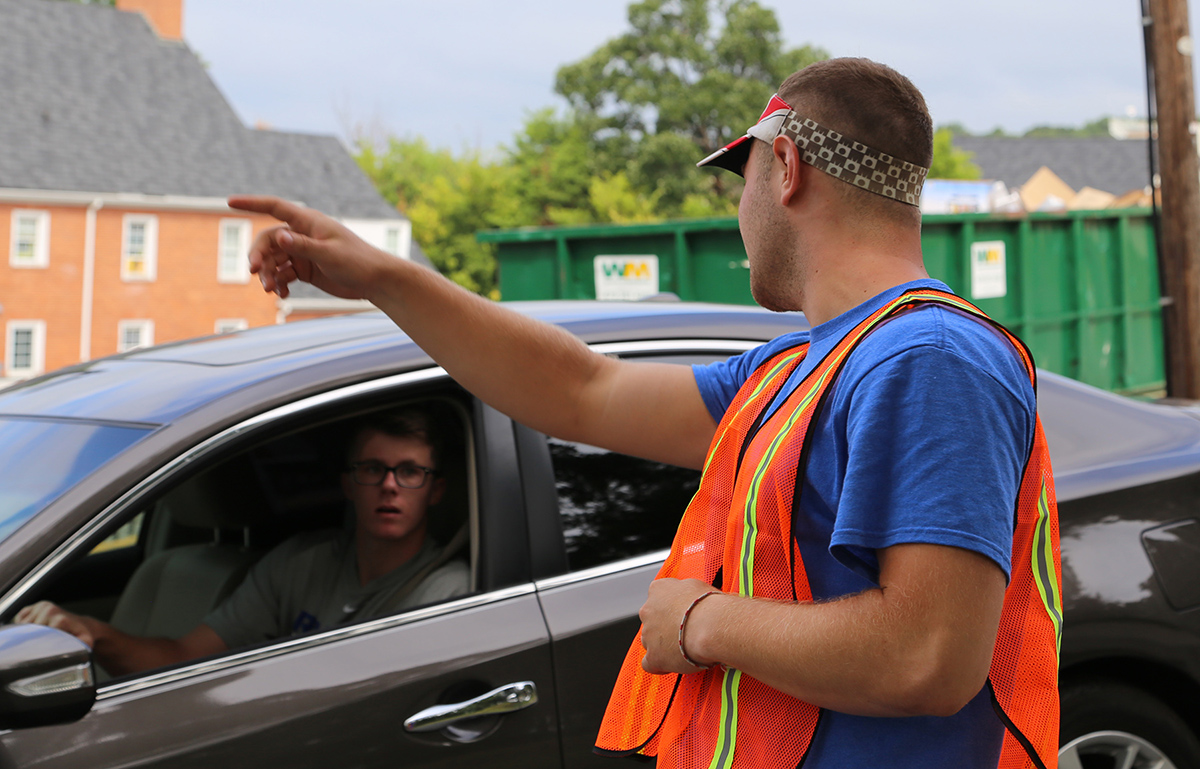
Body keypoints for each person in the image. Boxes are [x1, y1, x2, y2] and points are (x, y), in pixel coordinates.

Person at [224, 58, 1060, 769]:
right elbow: (581, 389)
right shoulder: (799, 369)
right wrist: (382, 277)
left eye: (743, 175)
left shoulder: (929, 360)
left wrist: (701, 620)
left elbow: (928, 657)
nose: (742, 212)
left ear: (787, 168)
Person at [15, 408, 470, 677]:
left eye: (410, 472)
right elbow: (180, 657)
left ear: (436, 490)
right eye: (372, 469)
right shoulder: (299, 564)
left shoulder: (450, 592)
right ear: (348, 484)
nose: (390, 486)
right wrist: (94, 633)